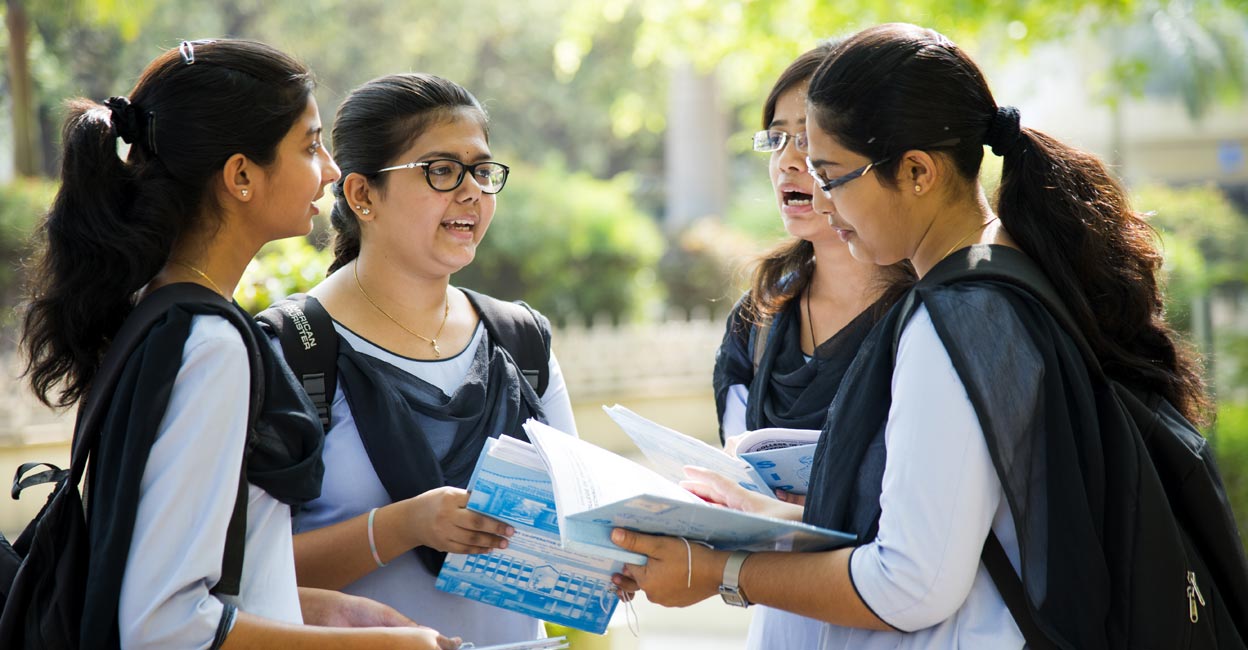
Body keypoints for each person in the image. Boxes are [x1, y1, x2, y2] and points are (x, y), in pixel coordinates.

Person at [612, 23, 1216, 649]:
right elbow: (958, 524)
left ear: (918, 171)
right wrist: (771, 516)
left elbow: (909, 584)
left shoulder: (954, 318)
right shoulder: (1007, 275)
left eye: (834, 175)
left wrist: (721, 572)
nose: (825, 202)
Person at [20, 39, 459, 649]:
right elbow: (164, 626)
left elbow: (183, 578)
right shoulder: (211, 346)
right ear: (242, 176)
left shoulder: (161, 313)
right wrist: (382, 647)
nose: (330, 169)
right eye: (309, 146)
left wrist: (321, 612)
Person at [273, 73, 579, 646]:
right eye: (442, 171)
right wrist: (403, 526)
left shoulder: (519, 339)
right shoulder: (291, 349)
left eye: (482, 172)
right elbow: (232, 579)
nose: (472, 193)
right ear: (362, 195)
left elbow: (573, 532)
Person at [709, 42, 912, 649]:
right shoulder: (759, 312)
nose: (791, 162)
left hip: (905, 618)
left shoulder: (927, 311)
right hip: (783, 614)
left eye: (812, 137)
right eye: (777, 138)